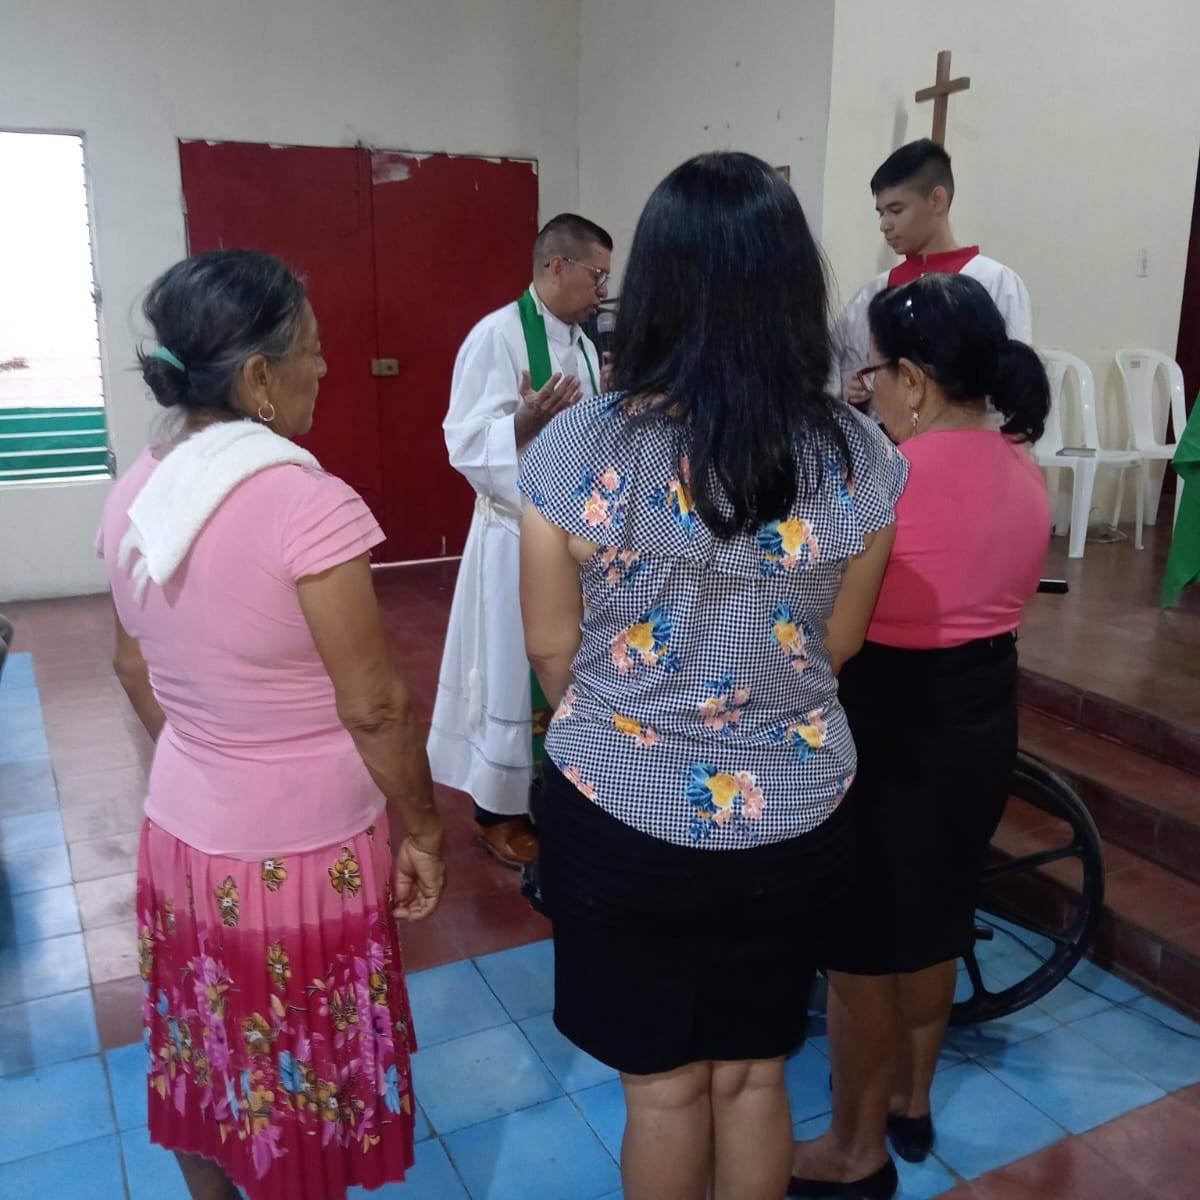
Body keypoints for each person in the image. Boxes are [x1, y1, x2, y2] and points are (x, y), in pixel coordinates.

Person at [518, 152, 909, 1200]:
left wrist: (645, 720)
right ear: (793, 290)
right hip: (796, 809)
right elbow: (842, 643)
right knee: (752, 1074)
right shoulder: (862, 456)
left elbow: (552, 650)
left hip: (619, 812)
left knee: (662, 1092)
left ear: (652, 287)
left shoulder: (583, 447)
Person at [96, 250, 445, 1200]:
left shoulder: (140, 494)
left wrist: (213, 751)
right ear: (258, 377)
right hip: (301, 853)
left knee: (210, 1045)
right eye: (314, 352)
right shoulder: (306, 505)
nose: (324, 370)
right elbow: (375, 705)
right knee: (302, 1068)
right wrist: (421, 825)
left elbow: (135, 665)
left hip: (182, 833)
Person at [791, 273, 1051, 1199]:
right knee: (936, 920)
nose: (873, 394)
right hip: (985, 709)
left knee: (862, 945)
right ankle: (909, 1101)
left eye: (877, 377)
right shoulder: (1023, 465)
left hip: (891, 713)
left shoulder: (890, 476)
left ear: (913, 378)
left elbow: (828, 614)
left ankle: (852, 1152)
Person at [427, 213, 612, 867]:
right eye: (596, 275)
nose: (602, 292)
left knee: (566, 660)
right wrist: (525, 420)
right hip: (514, 534)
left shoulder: (585, 347)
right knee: (511, 669)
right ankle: (496, 814)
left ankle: (550, 794)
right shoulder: (497, 336)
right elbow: (464, 441)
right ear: (555, 266)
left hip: (575, 541)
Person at [831, 139, 1033, 410]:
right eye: (880, 212)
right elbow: (838, 368)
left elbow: (1015, 383)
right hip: (886, 446)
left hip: (966, 443)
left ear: (937, 200)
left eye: (896, 210)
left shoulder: (992, 281)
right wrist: (852, 385)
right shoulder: (875, 291)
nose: (884, 225)